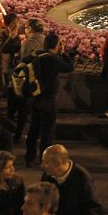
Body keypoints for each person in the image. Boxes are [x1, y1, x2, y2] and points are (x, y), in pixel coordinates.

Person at [25, 33, 74, 168]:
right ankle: (44, 160)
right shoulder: (52, 59)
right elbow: (69, 67)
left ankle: (29, 158)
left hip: (34, 98)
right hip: (48, 100)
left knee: (33, 129)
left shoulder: (36, 55)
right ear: (57, 45)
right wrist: (64, 53)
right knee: (47, 132)